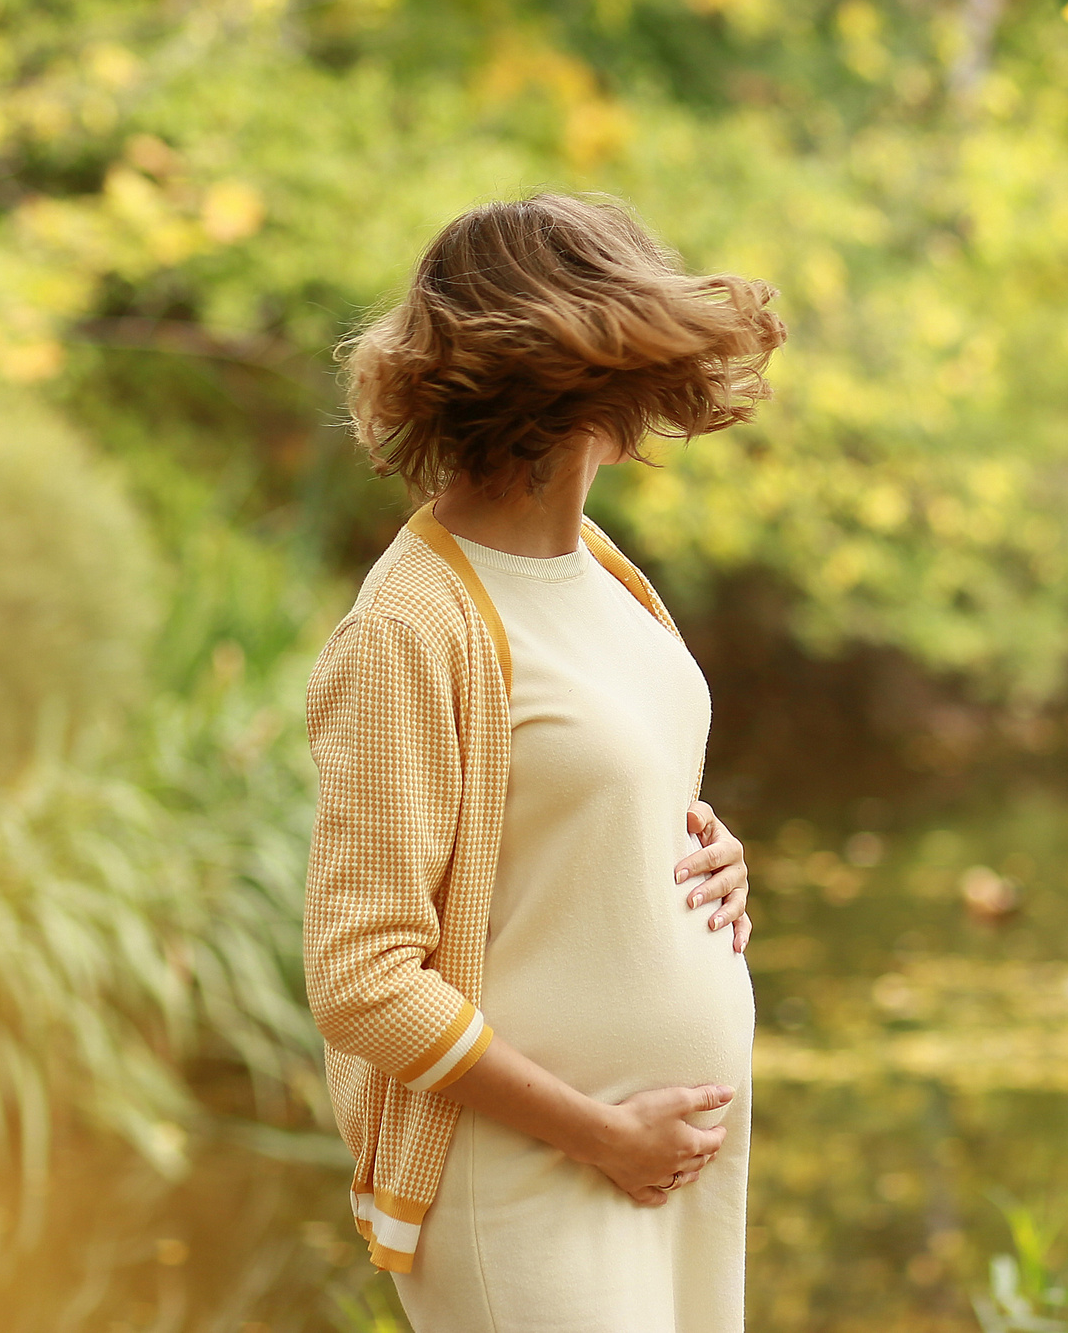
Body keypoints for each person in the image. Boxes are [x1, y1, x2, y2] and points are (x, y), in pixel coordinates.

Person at [303, 192, 787, 1330]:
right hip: (530, 1177)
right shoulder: (409, 628)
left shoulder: (600, 568)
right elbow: (361, 976)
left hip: (668, 1158)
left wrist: (701, 853)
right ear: (583, 381)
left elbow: (588, 794)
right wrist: (602, 1134)